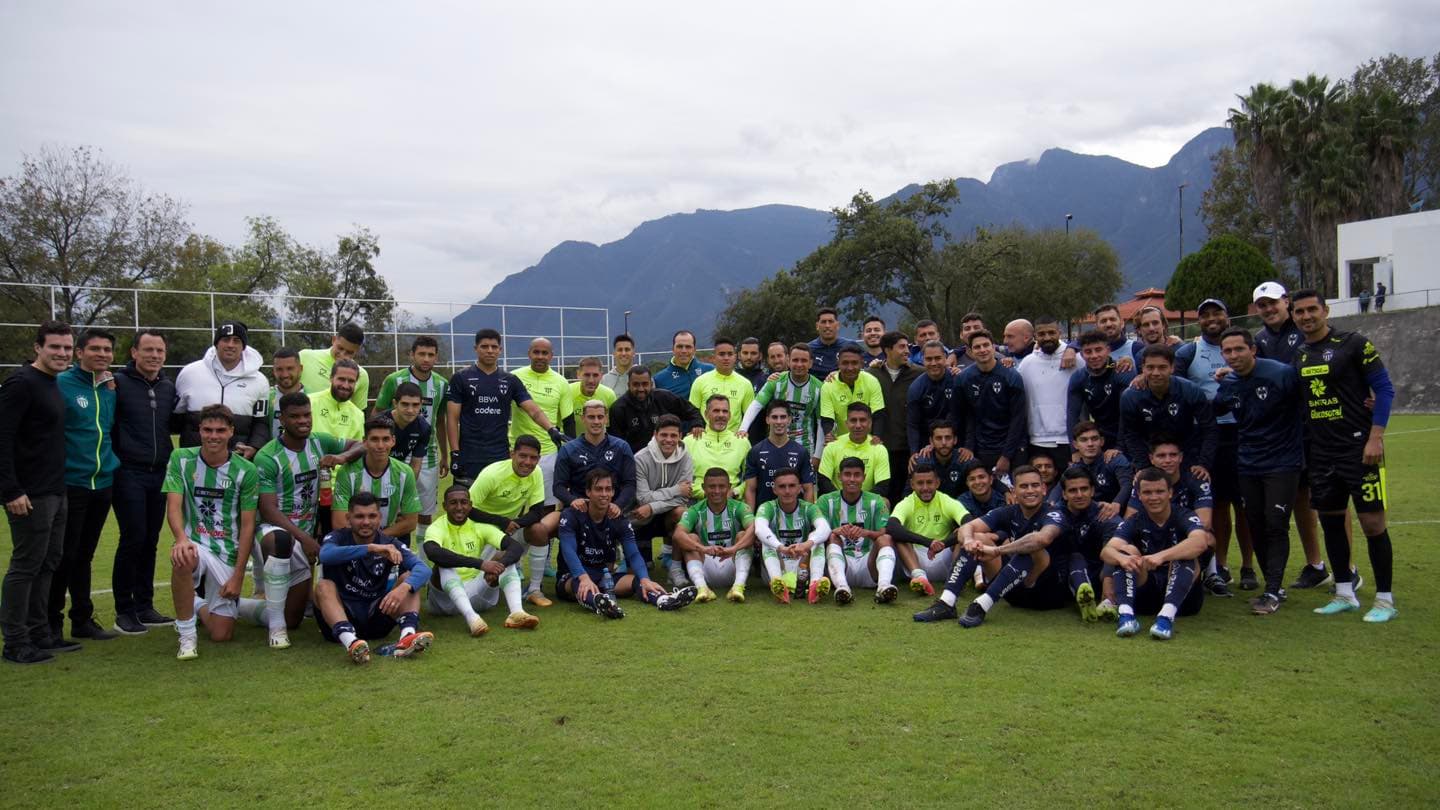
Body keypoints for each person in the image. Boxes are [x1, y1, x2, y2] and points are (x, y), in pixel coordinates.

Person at [1292, 289, 1399, 622]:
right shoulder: (1299, 355)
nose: (1306, 316)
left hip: (1360, 447)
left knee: (1371, 522)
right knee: (1331, 521)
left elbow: (1384, 388)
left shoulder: (1354, 344)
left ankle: (1384, 600)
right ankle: (1344, 593)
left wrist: (1375, 437)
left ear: (1325, 311)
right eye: (1300, 312)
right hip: (1321, 452)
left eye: (1312, 309)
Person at [252, 392, 364, 648]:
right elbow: (268, 510)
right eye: (295, 416)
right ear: (281, 419)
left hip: (305, 533)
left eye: (306, 415)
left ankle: (237, 608)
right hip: (274, 531)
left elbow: (361, 444)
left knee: (296, 618)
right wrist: (307, 539)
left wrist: (341, 458)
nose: (303, 421)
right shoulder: (268, 457)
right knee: (281, 540)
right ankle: (276, 629)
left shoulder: (318, 442)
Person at [1215, 327, 1304, 614]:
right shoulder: (1229, 384)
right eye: (1227, 351)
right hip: (1248, 463)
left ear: (1252, 349)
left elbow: (1310, 402)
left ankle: (1274, 590)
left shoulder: (1281, 374)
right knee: (1255, 524)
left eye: (1239, 349)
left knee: (1275, 523)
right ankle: (1273, 585)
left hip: (1283, 462)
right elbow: (1211, 410)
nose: (1233, 355)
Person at [165, 404, 264, 661]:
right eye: (207, 429)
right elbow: (174, 506)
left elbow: (247, 525)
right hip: (196, 543)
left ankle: (196, 605)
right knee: (183, 555)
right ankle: (187, 636)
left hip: (227, 553)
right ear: (199, 430)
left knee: (222, 634)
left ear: (231, 432)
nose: (213, 436)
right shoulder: (181, 459)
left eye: (220, 430)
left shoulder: (246, 470)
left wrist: (239, 575)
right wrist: (181, 539)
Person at [0, 321, 74, 665]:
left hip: (55, 490)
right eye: (54, 347)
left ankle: (39, 632)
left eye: (66, 348)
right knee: (26, 565)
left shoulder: (52, 384)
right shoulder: (20, 384)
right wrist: (11, 490)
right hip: (29, 494)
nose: (61, 353)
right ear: (37, 348)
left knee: (48, 562)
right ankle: (15, 641)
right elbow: (2, 438)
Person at [1250, 281, 1328, 588]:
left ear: (1286, 302)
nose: (1269, 309)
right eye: (1262, 305)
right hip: (1282, 434)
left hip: (1317, 428)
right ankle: (1316, 565)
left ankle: (1346, 569)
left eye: (1273, 303)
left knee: (1329, 499)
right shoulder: (1260, 339)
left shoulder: (1307, 333)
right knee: (1299, 498)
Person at [922, 466, 1067, 628]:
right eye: (1024, 486)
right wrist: (969, 541)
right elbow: (966, 528)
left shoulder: (1054, 514)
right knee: (976, 538)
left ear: (1044, 489)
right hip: (1012, 591)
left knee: (1031, 547)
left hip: (1048, 593)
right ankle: (946, 603)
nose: (1030, 490)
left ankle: (981, 605)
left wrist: (997, 551)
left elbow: (1042, 539)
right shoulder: (1008, 511)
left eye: (1035, 485)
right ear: (1014, 491)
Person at [1175, 298, 1254, 591]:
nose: (1211, 319)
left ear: (1227, 316)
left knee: (1245, 506)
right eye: (1205, 315)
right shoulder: (1188, 351)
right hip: (1207, 436)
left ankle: (1249, 565)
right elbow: (1179, 390)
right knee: (1217, 505)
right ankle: (1219, 565)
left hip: (1244, 432)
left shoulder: (1245, 345)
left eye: (1217, 313)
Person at [50, 328, 121, 643]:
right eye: (95, 349)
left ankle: (82, 619)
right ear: (79, 353)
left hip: (102, 482)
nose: (102, 354)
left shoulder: (108, 388)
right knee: (64, 555)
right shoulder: (61, 385)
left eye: (107, 350)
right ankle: (51, 623)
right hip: (71, 483)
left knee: (85, 555)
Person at [555, 469, 696, 618]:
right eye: (598, 489)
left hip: (604, 577)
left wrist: (644, 578)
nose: (604, 494)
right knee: (580, 584)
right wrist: (583, 577)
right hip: (572, 577)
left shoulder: (618, 519)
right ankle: (601, 605)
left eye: (608, 489)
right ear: (588, 492)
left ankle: (664, 599)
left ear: (613, 492)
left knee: (638, 581)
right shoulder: (571, 515)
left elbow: (633, 553)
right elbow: (568, 549)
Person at [110, 329, 179, 635]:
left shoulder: (167, 387)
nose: (154, 356)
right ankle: (124, 610)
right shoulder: (118, 384)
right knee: (133, 537)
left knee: (150, 540)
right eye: (148, 350)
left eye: (159, 351)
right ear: (134, 353)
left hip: (159, 472)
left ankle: (145, 606)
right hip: (128, 471)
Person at [314, 492, 434, 663]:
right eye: (359, 516)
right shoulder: (338, 537)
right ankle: (351, 643)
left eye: (372, 516)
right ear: (348, 518)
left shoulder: (391, 543)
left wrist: (403, 588)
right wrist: (370, 548)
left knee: (409, 578)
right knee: (323, 586)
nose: (366, 522)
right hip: (341, 616)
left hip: (376, 616)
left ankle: (407, 637)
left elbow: (424, 569)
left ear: (379, 518)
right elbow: (325, 555)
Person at [1101, 468, 1209, 640]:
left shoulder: (1184, 515)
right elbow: (1107, 550)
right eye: (1148, 492)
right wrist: (1123, 558)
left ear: (1170, 493)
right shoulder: (1135, 520)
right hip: (1147, 595)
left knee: (1184, 555)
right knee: (1126, 552)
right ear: (1139, 495)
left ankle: (1166, 617)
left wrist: (1162, 556)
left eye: (1159, 491)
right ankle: (1126, 615)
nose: (1154, 497)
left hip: (1184, 600)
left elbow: (1201, 541)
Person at [447, 328, 564, 484]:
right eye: (484, 346)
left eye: (494, 347)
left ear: (500, 350)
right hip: (469, 454)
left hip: (499, 454)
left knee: (498, 504)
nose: (490, 351)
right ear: (476, 349)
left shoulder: (510, 380)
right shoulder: (461, 378)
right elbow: (452, 418)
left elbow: (533, 410)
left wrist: (551, 429)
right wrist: (455, 453)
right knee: (466, 503)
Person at [423, 485, 538, 635]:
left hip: (476, 593)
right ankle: (472, 619)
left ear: (470, 505)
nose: (459, 507)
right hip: (443, 603)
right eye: (453, 503)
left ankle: (517, 613)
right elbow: (433, 552)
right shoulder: (436, 527)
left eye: (464, 502)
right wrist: (481, 564)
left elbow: (515, 547)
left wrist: (499, 566)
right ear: (444, 506)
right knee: (443, 565)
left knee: (505, 560)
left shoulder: (480, 527)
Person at [373, 336, 449, 542]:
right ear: (411, 355)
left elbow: (440, 421)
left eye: (430, 355)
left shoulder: (442, 385)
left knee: (425, 512)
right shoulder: (394, 380)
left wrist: (445, 455)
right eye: (421, 354)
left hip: (426, 454)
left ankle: (422, 561)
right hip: (392, 452)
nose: (426, 359)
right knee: (391, 505)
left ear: (436, 357)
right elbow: (377, 414)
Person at [466, 437, 551, 608]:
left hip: (508, 531)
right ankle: (507, 567)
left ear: (539, 459)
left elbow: (536, 511)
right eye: (523, 456)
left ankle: (534, 590)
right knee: (472, 589)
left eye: (533, 458)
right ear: (512, 454)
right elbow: (466, 510)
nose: (528, 462)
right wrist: (501, 522)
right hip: (480, 532)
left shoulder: (537, 472)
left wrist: (514, 524)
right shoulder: (492, 474)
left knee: (539, 529)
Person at [174, 320, 270, 456]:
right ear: (216, 343)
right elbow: (177, 418)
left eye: (236, 340)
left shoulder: (259, 381)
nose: (231, 345)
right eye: (226, 339)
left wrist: (254, 447)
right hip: (194, 461)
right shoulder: (189, 373)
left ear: (243, 346)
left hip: (237, 461)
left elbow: (261, 423)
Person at [1118, 344, 1216, 477]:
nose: (1156, 373)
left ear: (1172, 368)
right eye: (1150, 367)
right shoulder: (1130, 396)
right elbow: (1131, 435)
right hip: (1150, 458)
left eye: (1162, 367)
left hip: (1188, 456)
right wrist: (1143, 466)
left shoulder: (1190, 391)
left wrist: (1203, 464)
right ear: (1143, 368)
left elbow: (1209, 428)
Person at [818, 457, 898, 604]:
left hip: (869, 565)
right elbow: (816, 533)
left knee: (886, 538)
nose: (852, 479)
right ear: (839, 477)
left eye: (857, 475)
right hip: (841, 565)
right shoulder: (825, 501)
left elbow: (884, 531)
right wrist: (836, 530)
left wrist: (866, 533)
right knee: (832, 537)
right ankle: (842, 587)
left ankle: (883, 586)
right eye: (847, 474)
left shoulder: (876, 501)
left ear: (864, 477)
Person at [331, 419, 422, 547]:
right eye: (374, 439)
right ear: (365, 442)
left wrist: (375, 542)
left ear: (393, 441)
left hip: (390, 540)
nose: (380, 446)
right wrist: (367, 545)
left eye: (385, 439)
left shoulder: (405, 473)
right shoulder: (347, 472)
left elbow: (410, 522)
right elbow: (339, 523)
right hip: (355, 542)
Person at [1050, 467, 1124, 622]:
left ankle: (1095, 597)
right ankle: (1084, 593)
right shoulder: (1054, 515)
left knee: (1120, 548)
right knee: (1074, 557)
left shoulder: (1106, 515)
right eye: (1073, 490)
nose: (1079, 495)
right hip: (1061, 579)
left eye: (1084, 489)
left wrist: (1108, 582)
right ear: (1064, 494)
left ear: (1092, 491)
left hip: (1099, 577)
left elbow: (1114, 551)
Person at [509, 337, 576, 508]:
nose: (540, 356)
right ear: (529, 354)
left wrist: (571, 454)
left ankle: (544, 535)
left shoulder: (561, 382)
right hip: (515, 450)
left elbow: (568, 421)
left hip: (547, 453)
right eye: (536, 352)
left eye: (544, 353)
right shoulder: (514, 377)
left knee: (545, 505)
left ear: (551, 356)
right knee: (512, 503)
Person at [672, 467, 757, 603]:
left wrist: (733, 549)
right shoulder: (695, 510)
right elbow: (678, 534)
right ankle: (702, 588)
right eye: (712, 487)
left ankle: (738, 586)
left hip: (733, 563)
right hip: (705, 565)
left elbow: (753, 530)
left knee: (743, 534)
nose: (717, 491)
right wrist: (702, 549)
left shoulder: (740, 507)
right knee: (691, 538)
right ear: (704, 488)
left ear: (729, 487)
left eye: (721, 486)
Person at [886, 463, 969, 597]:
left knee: (963, 532)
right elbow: (891, 527)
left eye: (929, 482)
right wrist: (929, 542)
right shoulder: (906, 503)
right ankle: (920, 578)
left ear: (937, 483)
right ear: (912, 485)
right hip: (915, 559)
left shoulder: (946, 500)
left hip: (944, 555)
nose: (925, 488)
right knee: (898, 536)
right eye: (920, 483)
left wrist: (943, 544)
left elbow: (969, 521)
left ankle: (956, 577)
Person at [630, 416, 694, 585]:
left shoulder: (686, 457)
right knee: (639, 569)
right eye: (664, 435)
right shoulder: (640, 458)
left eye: (673, 436)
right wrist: (675, 490)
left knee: (683, 513)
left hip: (665, 513)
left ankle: (675, 568)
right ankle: (629, 560)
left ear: (680, 436)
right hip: (641, 516)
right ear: (655, 435)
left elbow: (683, 497)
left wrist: (652, 507)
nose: (668, 440)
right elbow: (643, 498)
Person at [754, 468, 832, 604]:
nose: (787, 491)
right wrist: (781, 547)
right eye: (782, 486)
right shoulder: (767, 507)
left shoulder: (809, 508)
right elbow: (759, 529)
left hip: (802, 566)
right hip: (777, 563)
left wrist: (806, 544)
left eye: (792, 486)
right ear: (774, 490)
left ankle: (815, 584)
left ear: (799, 488)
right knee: (766, 541)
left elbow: (825, 528)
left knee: (816, 538)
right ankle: (777, 584)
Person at [955, 330, 1027, 475]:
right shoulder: (964, 379)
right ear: (971, 351)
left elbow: (1018, 418)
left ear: (993, 347)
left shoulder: (1011, 377)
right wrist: (968, 446)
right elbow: (965, 416)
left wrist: (1006, 455)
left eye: (986, 345)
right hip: (982, 448)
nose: (982, 350)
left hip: (1012, 448)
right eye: (977, 347)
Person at [740, 343, 824, 460]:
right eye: (795, 360)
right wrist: (743, 429)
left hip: (805, 446)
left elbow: (821, 423)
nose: (799, 364)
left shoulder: (819, 388)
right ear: (788, 361)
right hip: (775, 443)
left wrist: (817, 455)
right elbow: (756, 405)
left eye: (803, 360)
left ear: (810, 363)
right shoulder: (776, 381)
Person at [553, 400, 637, 514]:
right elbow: (558, 487)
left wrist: (617, 505)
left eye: (600, 417)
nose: (596, 421)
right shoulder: (568, 449)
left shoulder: (621, 447)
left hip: (612, 510)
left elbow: (630, 484)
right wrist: (573, 500)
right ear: (583, 419)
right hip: (579, 511)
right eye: (591, 417)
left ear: (606, 419)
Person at [868, 331, 921, 502]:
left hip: (908, 450)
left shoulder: (919, 374)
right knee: (881, 498)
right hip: (878, 448)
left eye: (908, 346)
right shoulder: (871, 374)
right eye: (902, 347)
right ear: (887, 350)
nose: (907, 351)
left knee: (905, 498)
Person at [1066, 329, 1136, 449]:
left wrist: (1118, 448)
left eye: (1098, 350)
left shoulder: (1122, 371)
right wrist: (1075, 450)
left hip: (1127, 436)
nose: (1094, 356)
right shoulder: (1078, 378)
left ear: (1108, 350)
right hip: (1099, 438)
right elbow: (1072, 415)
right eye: (1088, 352)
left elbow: (1127, 415)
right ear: (1082, 355)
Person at [608, 365, 703, 453]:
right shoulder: (618, 408)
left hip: (667, 455)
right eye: (636, 384)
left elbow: (691, 411)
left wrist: (697, 424)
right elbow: (616, 444)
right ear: (629, 385)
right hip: (636, 460)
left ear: (651, 383)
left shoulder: (664, 397)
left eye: (645, 384)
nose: (641, 389)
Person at [1017, 316, 1070, 467]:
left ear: (1059, 333)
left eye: (1051, 332)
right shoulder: (1027, 364)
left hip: (1068, 440)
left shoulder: (1075, 359)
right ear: (1035, 336)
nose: (1047, 337)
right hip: (1037, 440)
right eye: (1041, 334)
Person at [744, 401, 817, 511]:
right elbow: (750, 489)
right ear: (767, 420)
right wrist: (750, 519)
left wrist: (808, 517)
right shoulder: (755, 451)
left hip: (794, 517)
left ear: (789, 420)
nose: (779, 421)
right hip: (764, 517)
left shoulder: (801, 452)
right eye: (774, 417)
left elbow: (808, 489)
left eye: (783, 417)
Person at [683, 395, 750, 499]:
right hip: (698, 501)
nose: (721, 415)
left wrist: (735, 492)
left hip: (732, 501)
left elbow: (750, 478)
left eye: (725, 411)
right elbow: (680, 479)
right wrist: (704, 493)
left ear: (730, 415)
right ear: (706, 414)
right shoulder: (689, 441)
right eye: (716, 411)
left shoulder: (742, 442)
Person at [1064, 421, 1133, 519]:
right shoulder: (1075, 468)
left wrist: (1116, 504)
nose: (1090, 444)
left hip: (1115, 515)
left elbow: (1127, 484)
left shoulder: (1115, 459)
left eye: (1094, 439)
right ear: (1075, 445)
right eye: (1084, 440)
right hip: (1087, 517)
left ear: (1102, 441)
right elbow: (1059, 491)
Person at [817, 403, 890, 495]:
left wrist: (860, 502)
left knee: (885, 502)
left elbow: (882, 486)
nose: (858, 425)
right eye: (853, 420)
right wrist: (843, 500)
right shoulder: (832, 446)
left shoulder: (879, 449)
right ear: (846, 423)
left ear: (870, 423)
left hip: (867, 503)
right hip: (837, 500)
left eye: (862, 420)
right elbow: (823, 481)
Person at [907, 341, 962, 456]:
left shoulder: (957, 380)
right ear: (922, 360)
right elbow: (913, 424)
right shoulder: (916, 388)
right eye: (929, 359)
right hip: (927, 445)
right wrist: (914, 453)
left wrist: (968, 447)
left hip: (958, 443)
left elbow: (965, 415)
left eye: (938, 358)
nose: (933, 363)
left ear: (945, 358)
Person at [688, 337, 754, 432]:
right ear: (713, 357)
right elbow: (692, 412)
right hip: (706, 440)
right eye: (722, 354)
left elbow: (749, 416)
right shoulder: (700, 381)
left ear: (735, 357)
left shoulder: (745, 384)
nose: (726, 358)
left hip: (733, 441)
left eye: (730, 354)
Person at [299, 321, 371, 407]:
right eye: (340, 348)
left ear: (357, 351)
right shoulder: (305, 356)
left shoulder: (362, 375)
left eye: (349, 352)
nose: (343, 354)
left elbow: (358, 412)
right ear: (333, 340)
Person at [376, 382, 431, 487]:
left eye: (415, 405)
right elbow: (369, 458)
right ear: (395, 403)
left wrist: (405, 490)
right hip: (373, 469)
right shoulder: (378, 423)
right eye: (405, 404)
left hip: (397, 468)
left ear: (421, 404)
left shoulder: (424, 428)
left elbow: (415, 465)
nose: (410, 410)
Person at [308, 359, 366, 441]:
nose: (345, 385)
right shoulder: (309, 402)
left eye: (351, 381)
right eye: (341, 379)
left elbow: (358, 447)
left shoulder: (358, 415)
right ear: (331, 378)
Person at [653, 330, 713, 398]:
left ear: (694, 350)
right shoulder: (659, 379)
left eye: (688, 347)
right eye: (679, 347)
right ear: (673, 349)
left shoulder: (710, 370)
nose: (684, 351)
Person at [808, 307, 862, 379]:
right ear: (817, 326)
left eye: (831, 321)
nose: (827, 326)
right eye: (823, 322)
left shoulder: (851, 346)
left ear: (838, 325)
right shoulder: (809, 349)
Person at [267, 347, 306, 442]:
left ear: (300, 369)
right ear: (273, 371)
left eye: (290, 368)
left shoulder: (313, 398)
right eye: (279, 369)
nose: (285, 374)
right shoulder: (265, 397)